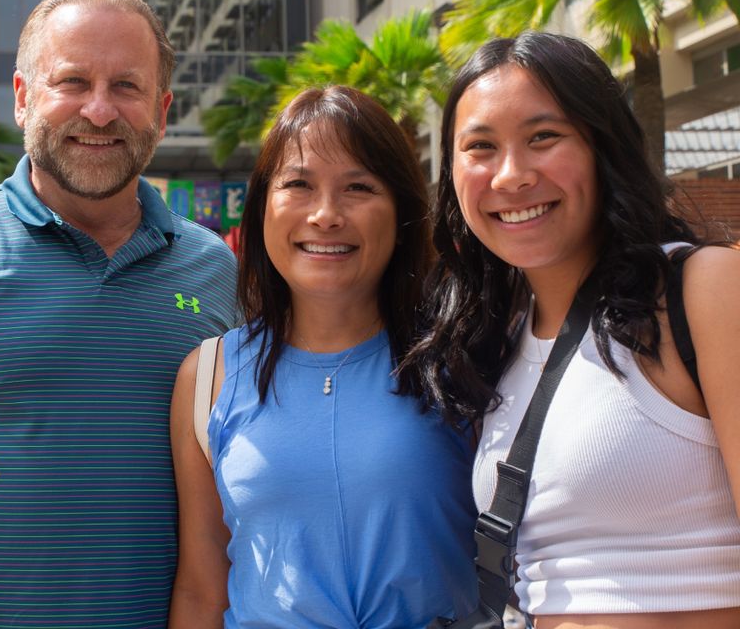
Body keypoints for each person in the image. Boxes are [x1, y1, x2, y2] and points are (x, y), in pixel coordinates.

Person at [403, 31, 740, 629]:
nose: (510, 176)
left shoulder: (704, 288)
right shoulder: (491, 339)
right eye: (480, 147)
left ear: (601, 147)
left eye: (544, 137)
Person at [0, 0, 238, 628]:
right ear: (23, 99)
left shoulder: (216, 269)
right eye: (71, 81)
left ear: (161, 110)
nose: (99, 111)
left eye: (126, 87)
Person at [169, 85, 479, 629]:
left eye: (359, 186)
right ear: (263, 204)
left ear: (402, 211)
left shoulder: (461, 357)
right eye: (299, 185)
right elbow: (201, 586)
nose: (326, 215)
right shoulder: (207, 377)